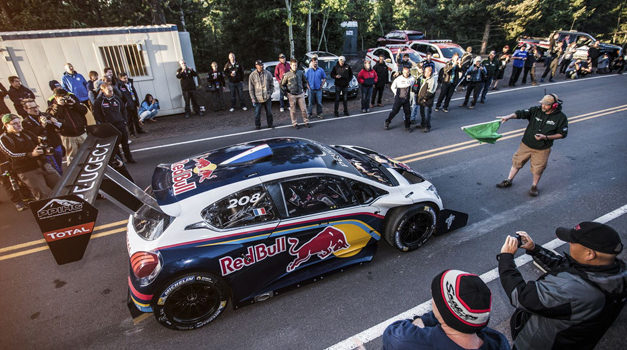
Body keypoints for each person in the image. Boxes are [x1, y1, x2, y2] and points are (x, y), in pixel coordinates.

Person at [497, 222, 625, 350]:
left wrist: (506, 258)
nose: (569, 243)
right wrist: (534, 249)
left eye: (572, 241)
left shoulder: (571, 289)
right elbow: (564, 266)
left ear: (589, 254)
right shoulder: (616, 271)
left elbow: (521, 296)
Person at [382, 269, 510, 350]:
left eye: (434, 297)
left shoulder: (403, 339)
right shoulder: (499, 342)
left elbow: (395, 331)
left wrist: (422, 320)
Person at [496, 94, 568, 196]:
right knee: (517, 162)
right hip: (526, 144)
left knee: (538, 169)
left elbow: (562, 134)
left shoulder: (561, 118)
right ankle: (508, 180)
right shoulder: (536, 110)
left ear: (554, 105)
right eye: (542, 103)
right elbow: (521, 113)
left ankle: (534, 186)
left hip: (542, 149)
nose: (543, 106)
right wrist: (509, 117)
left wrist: (545, 137)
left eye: (546, 105)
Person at [0, 114, 60, 200]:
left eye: (19, 122)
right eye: (14, 124)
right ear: (6, 125)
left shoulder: (26, 132)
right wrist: (31, 154)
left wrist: (45, 149)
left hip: (43, 165)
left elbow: (38, 142)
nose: (18, 125)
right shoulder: (3, 139)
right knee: (43, 196)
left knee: (60, 185)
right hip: (27, 171)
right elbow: (12, 155)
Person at [93, 83, 135, 163]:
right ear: (102, 91)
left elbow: (123, 110)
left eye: (112, 90)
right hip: (110, 126)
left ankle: (129, 158)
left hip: (120, 124)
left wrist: (124, 120)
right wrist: (105, 124)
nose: (111, 92)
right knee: (115, 145)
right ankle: (120, 160)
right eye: (109, 91)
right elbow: (97, 115)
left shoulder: (117, 99)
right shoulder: (99, 102)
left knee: (125, 142)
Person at [21, 99, 63, 174]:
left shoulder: (45, 114)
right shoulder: (26, 122)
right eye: (32, 108)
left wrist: (54, 122)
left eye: (36, 106)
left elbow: (58, 127)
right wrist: (42, 125)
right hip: (46, 148)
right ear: (26, 109)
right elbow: (33, 134)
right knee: (55, 169)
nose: (35, 109)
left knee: (59, 165)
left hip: (56, 144)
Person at [47, 88, 88, 165]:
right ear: (56, 97)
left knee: (88, 152)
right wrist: (59, 106)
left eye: (65, 96)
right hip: (68, 136)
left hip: (81, 132)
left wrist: (74, 104)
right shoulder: (53, 108)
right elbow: (54, 119)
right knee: (73, 157)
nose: (64, 98)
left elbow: (84, 111)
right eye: (61, 97)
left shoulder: (72, 103)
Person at [281, 59, 309, 129]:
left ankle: (306, 122)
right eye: (293, 65)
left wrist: (305, 89)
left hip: (300, 93)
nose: (295, 66)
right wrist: (286, 93)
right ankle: (295, 123)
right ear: (290, 65)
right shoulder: (287, 74)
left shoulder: (300, 72)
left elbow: (305, 81)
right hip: (292, 94)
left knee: (304, 109)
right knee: (293, 110)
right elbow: (282, 84)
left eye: (296, 65)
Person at [384, 66, 414, 132]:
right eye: (405, 72)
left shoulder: (412, 78)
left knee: (408, 113)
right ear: (403, 72)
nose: (406, 74)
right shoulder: (398, 79)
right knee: (394, 111)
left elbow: (413, 85)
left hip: (406, 99)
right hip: (399, 98)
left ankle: (407, 126)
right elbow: (392, 87)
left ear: (409, 72)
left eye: (408, 72)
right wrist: (396, 94)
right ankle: (387, 121)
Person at [248, 59, 274, 130]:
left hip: (267, 97)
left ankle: (270, 124)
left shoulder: (268, 73)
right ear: (256, 66)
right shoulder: (252, 75)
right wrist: (252, 98)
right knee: (257, 113)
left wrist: (270, 93)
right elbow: (251, 88)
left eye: (262, 65)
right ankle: (257, 125)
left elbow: (272, 85)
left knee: (269, 112)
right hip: (257, 98)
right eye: (259, 65)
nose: (261, 66)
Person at [414, 66, 437, 133]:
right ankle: (422, 124)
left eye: (426, 71)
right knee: (422, 113)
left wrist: (424, 98)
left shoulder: (432, 80)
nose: (424, 72)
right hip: (421, 99)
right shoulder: (425, 78)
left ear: (429, 72)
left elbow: (431, 91)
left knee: (427, 114)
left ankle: (427, 126)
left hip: (427, 100)